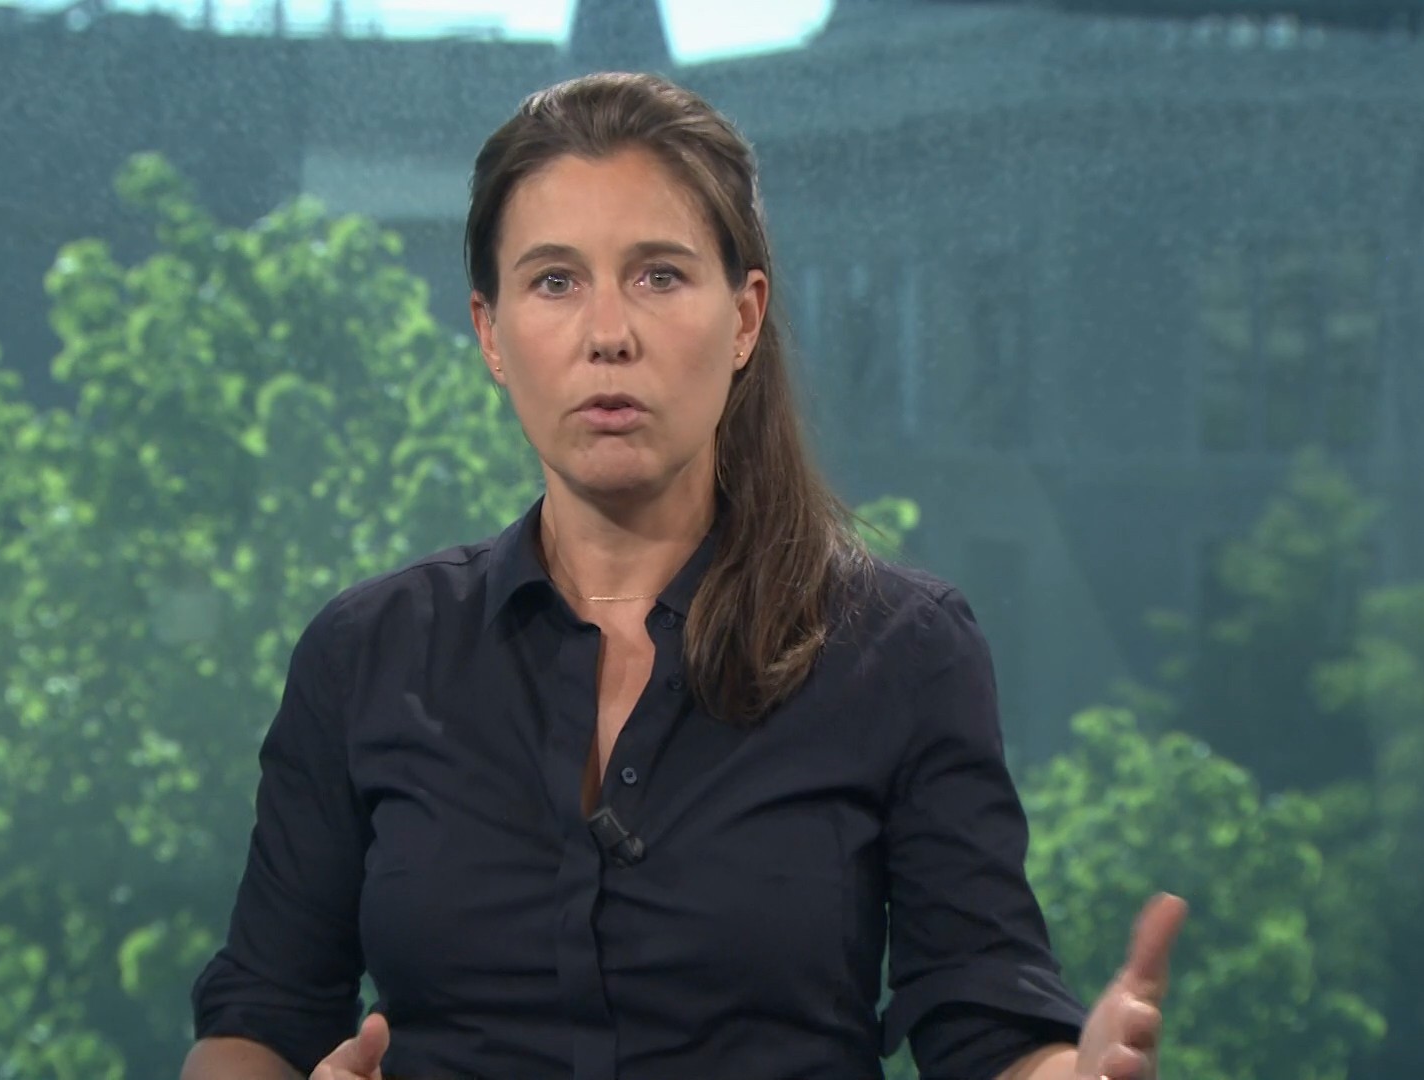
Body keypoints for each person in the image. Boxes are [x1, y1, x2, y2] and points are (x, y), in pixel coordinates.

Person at [181, 71, 1186, 1080]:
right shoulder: (369, 653)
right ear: (490, 333)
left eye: (658, 276)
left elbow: (987, 1022)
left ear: (745, 318)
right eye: (555, 281)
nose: (608, 334)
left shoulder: (900, 649)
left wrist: (1073, 1072)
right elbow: (258, 1020)